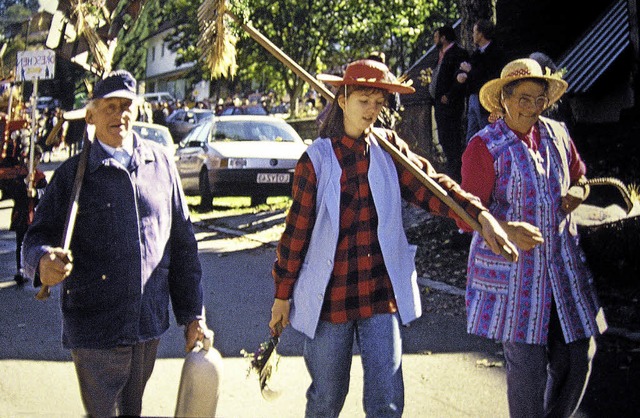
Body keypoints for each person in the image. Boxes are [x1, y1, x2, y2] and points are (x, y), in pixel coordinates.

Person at [268, 59, 517, 417]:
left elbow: (435, 189)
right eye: (363, 100)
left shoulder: (388, 149)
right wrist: (282, 294)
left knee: (386, 398)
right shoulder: (317, 160)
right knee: (326, 397)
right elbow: (296, 233)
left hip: (379, 293)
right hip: (329, 297)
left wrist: (480, 216)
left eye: (378, 102)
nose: (371, 110)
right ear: (343, 100)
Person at [21, 70, 216, 417]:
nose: (119, 115)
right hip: (96, 326)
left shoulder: (160, 164)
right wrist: (41, 262)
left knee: (132, 410)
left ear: (137, 112)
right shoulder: (71, 175)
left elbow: (184, 247)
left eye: (126, 106)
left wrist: (192, 316)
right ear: (91, 116)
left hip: (147, 324)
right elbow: (36, 237)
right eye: (108, 107)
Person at [459, 58, 608, 418]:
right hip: (516, 275)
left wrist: (579, 192)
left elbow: (580, 177)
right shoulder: (484, 146)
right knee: (527, 370)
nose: (531, 108)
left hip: (561, 267)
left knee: (578, 355)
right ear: (504, 99)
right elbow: (466, 215)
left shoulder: (557, 134)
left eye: (539, 100)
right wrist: (507, 228)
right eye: (522, 99)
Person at [428, 25, 469, 181]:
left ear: (444, 38)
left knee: (453, 141)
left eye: (436, 37)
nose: (435, 40)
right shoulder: (440, 54)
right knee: (443, 139)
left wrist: (450, 95)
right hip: (439, 105)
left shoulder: (458, 53)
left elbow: (461, 77)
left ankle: (456, 176)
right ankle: (451, 173)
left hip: (451, 106)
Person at [456, 19, 506, 141]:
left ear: (481, 34)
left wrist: (470, 72)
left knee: (487, 132)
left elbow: (490, 77)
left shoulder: (495, 53)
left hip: (486, 100)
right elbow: (468, 69)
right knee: (471, 137)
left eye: (474, 32)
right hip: (473, 98)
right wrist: (461, 76)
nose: (472, 35)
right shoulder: (477, 54)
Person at [9, 144, 47, 286]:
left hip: (34, 215)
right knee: (20, 242)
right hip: (22, 213)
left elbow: (46, 194)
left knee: (34, 242)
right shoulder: (20, 175)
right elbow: (13, 193)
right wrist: (25, 183)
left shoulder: (40, 177)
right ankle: (20, 270)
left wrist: (36, 193)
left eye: (36, 158)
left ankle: (34, 269)